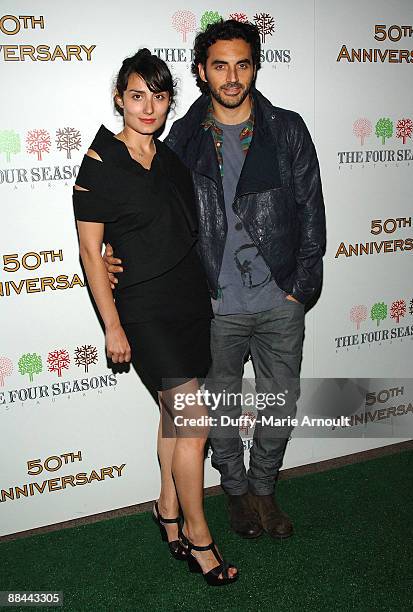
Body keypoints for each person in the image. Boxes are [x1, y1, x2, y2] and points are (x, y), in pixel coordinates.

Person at [104, 21, 326, 541]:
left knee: (280, 400)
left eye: (242, 63)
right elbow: (151, 211)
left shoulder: (288, 129)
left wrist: (301, 286)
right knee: (218, 406)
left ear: (254, 67)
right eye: (220, 65)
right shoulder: (180, 137)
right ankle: (236, 492)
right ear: (202, 72)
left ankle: (265, 488)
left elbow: (310, 211)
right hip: (211, 299)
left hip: (280, 298)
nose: (232, 76)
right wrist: (114, 253)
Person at [73, 48, 238, 586]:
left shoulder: (170, 160)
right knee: (194, 427)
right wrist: (112, 324)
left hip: (190, 303)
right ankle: (198, 538)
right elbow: (90, 253)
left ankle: (167, 508)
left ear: (170, 102)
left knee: (175, 419)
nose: (148, 107)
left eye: (159, 96)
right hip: (143, 313)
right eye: (137, 95)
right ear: (119, 98)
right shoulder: (98, 164)